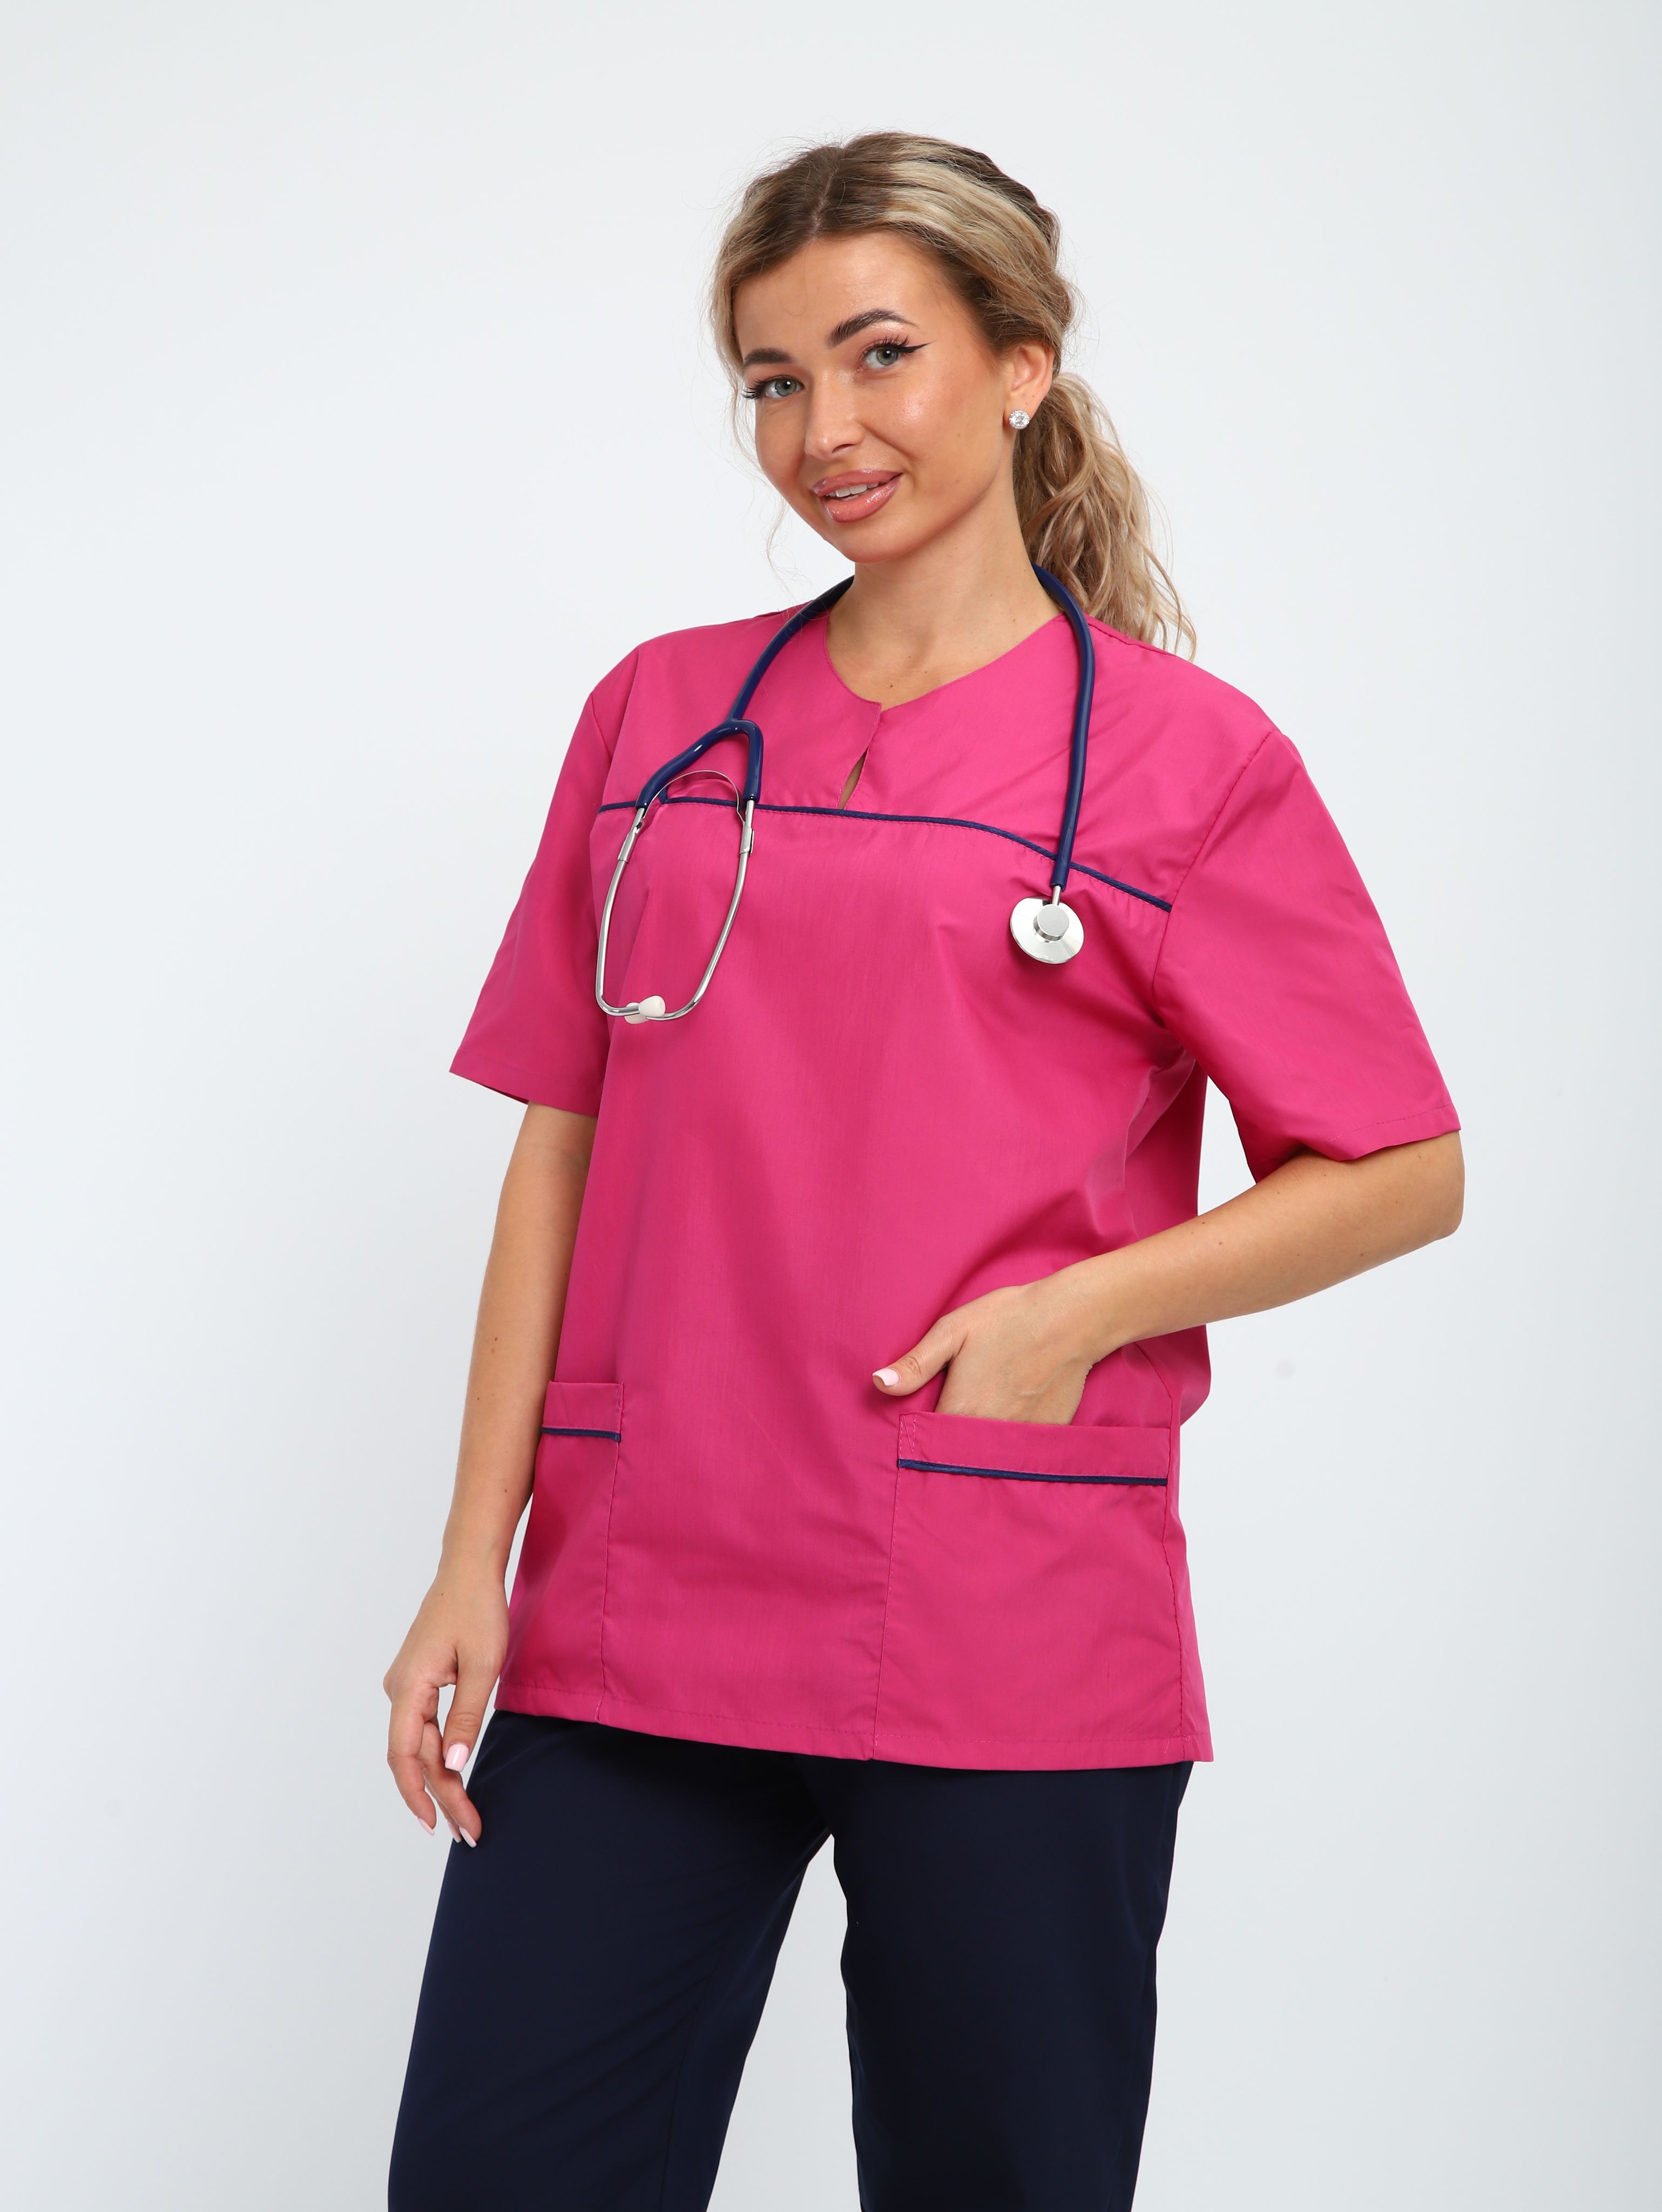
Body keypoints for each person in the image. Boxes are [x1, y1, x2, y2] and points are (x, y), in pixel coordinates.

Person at [383, 132, 1463, 2212]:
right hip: (637, 1598)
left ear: (1023, 364)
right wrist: (468, 1558)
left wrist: (1082, 1313)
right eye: (775, 379)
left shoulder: (1187, 762)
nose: (826, 430)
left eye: (882, 355)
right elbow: (563, 1141)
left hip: (1000, 1610)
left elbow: (1401, 1162)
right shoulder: (662, 716)